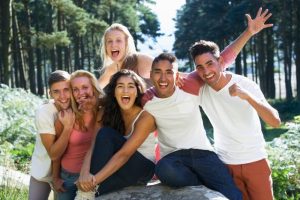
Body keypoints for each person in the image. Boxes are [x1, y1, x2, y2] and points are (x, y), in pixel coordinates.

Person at [142, 53, 243, 199]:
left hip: (203, 153)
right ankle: (202, 187)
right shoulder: (146, 99)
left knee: (232, 195)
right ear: (151, 75)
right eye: (158, 72)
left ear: (177, 77)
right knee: (163, 169)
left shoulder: (190, 85)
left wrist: (249, 32)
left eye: (169, 72)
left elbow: (221, 59)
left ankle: (207, 185)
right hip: (173, 158)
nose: (163, 78)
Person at [189, 39, 281, 200]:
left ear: (221, 61)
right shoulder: (201, 91)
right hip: (226, 164)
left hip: (255, 160)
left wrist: (248, 97)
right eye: (200, 67)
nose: (206, 71)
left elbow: (275, 122)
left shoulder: (244, 84)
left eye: (210, 63)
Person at [75, 69, 156, 199]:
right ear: (113, 92)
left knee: (106, 134)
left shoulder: (145, 117)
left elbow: (124, 154)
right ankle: (88, 192)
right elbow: (94, 145)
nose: (125, 91)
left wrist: (91, 183)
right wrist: (83, 175)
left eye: (130, 86)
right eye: (120, 86)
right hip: (118, 167)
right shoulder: (105, 112)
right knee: (101, 189)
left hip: (141, 168)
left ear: (137, 92)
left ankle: (86, 194)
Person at [53, 70, 104, 200]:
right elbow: (57, 153)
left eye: (85, 87)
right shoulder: (66, 116)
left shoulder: (103, 112)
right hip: (67, 178)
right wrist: (55, 177)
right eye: (75, 89)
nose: (80, 93)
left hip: (92, 176)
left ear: (93, 88)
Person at [29, 70, 74, 200]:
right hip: (43, 170)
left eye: (66, 89)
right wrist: (67, 128)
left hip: (66, 172)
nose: (63, 96)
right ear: (50, 93)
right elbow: (53, 154)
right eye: (56, 91)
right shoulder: (44, 113)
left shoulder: (77, 108)